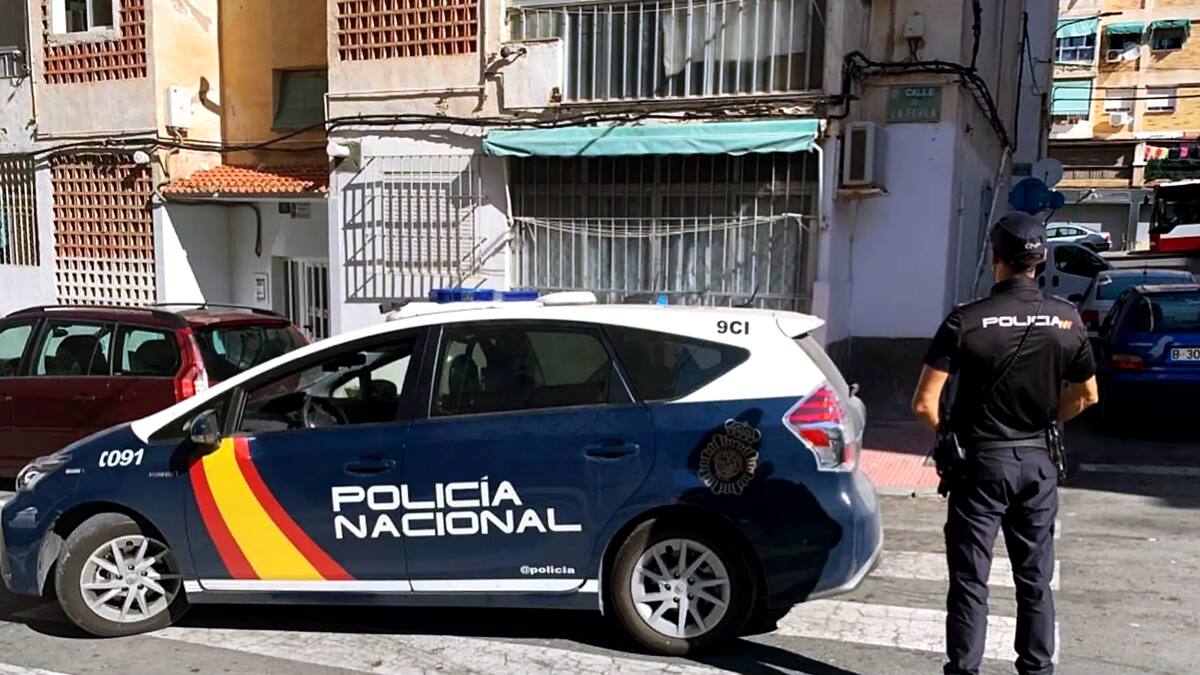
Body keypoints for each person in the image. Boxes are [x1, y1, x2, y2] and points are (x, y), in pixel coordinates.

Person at [911, 212, 1100, 675]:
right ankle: (1037, 669)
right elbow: (1087, 395)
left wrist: (948, 439)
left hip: (980, 464)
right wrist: (1043, 422)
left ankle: (964, 670)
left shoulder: (966, 320)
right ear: (1042, 259)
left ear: (995, 257)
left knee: (970, 580)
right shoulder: (1068, 319)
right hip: (1038, 462)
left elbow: (924, 403)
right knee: (1035, 579)